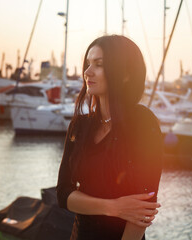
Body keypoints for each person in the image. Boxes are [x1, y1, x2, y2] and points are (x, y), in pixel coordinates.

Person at [56, 35, 163, 240]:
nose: (87, 72)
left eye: (99, 64)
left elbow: (143, 209)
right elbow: (63, 194)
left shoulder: (142, 123)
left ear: (124, 74)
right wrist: (113, 207)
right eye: (88, 63)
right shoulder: (79, 126)